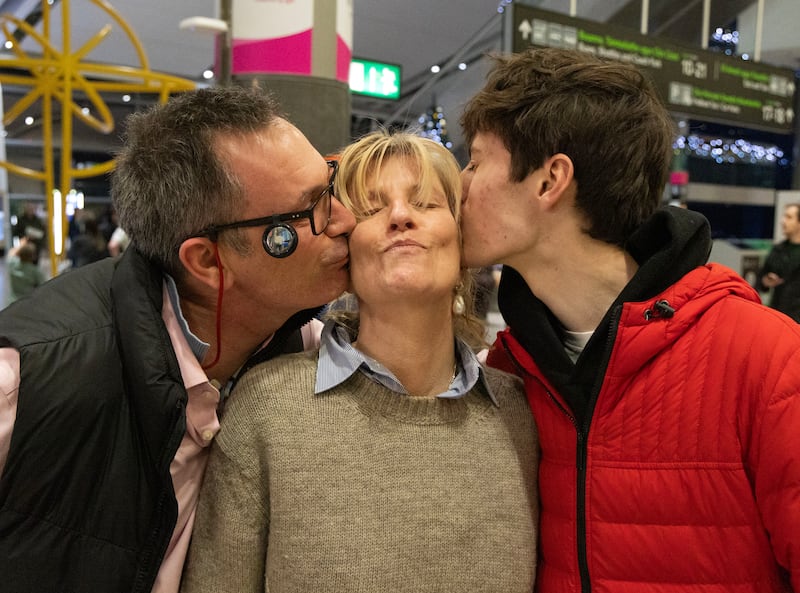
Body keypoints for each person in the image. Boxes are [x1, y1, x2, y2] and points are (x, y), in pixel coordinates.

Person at [459, 47, 800, 593]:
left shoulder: (767, 359)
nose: (460, 184)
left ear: (550, 180)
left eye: (475, 162)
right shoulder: (511, 374)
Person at [0, 85, 355, 593]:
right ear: (207, 261)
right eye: (310, 209)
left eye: (332, 186)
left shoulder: (313, 354)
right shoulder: (25, 381)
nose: (345, 219)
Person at [180, 131, 539, 593]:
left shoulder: (518, 414)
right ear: (346, 251)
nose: (400, 216)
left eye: (426, 203)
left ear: (462, 240)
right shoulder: (270, 407)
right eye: (371, 209)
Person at [759, 203, 800, 321]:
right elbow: (762, 276)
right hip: (778, 315)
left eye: (789, 217)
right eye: (784, 216)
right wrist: (766, 281)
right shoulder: (778, 249)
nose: (783, 221)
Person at [6, 237, 45, 302]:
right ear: (33, 257)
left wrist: (20, 245)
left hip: (12, 301)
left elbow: (11, 253)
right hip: (27, 302)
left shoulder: (12, 263)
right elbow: (44, 286)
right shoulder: (35, 271)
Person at [11, 201, 45, 265]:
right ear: (25, 209)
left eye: (31, 208)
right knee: (25, 265)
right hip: (24, 248)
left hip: (36, 248)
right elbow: (15, 233)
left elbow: (42, 234)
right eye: (28, 208)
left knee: (35, 265)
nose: (30, 210)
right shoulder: (21, 220)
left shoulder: (38, 220)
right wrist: (26, 236)